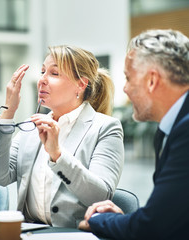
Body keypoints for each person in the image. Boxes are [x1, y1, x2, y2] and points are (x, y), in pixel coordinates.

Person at [0, 45, 124, 228]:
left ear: (81, 84)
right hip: (29, 232)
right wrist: (8, 113)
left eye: (54, 73)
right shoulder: (31, 127)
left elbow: (100, 195)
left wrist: (58, 155)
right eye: (42, 71)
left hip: (75, 235)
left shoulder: (105, 128)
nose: (42, 80)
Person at [79, 29, 189, 239]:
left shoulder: (185, 131)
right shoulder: (169, 129)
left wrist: (97, 220)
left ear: (151, 80)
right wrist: (126, 220)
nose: (125, 89)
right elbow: (171, 217)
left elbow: (155, 226)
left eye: (128, 78)